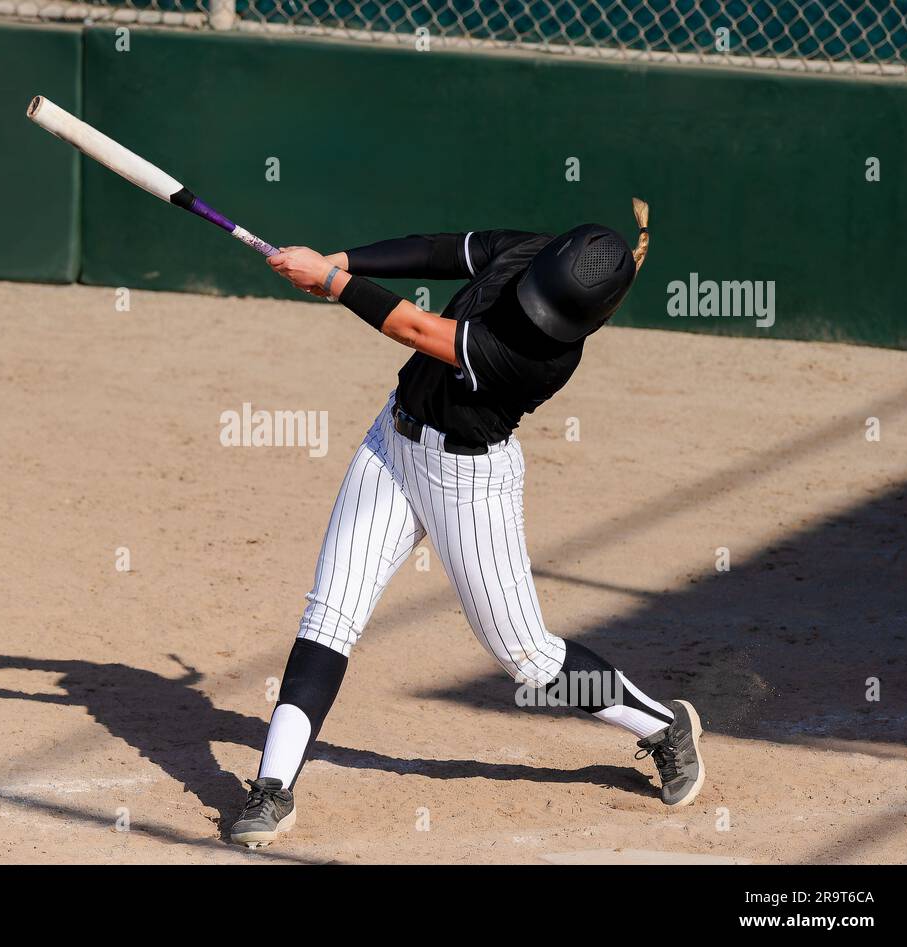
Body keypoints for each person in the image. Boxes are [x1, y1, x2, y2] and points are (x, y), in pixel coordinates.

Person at [228, 200, 705, 848]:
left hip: (468, 484)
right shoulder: (529, 250)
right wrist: (340, 259)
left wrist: (331, 284)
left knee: (527, 656)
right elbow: (438, 251)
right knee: (329, 614)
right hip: (391, 445)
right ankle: (273, 787)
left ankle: (660, 724)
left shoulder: (544, 356)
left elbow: (421, 331)